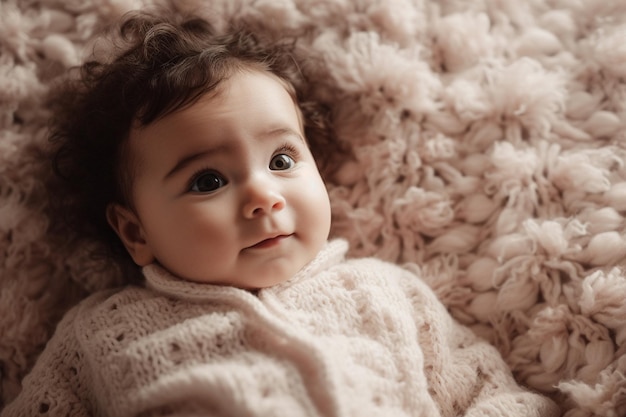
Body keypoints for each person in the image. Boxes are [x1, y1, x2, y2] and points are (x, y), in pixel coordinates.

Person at [1, 10, 559, 417]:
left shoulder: (386, 292)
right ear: (134, 230)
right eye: (209, 180)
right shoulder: (103, 332)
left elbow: (490, 393)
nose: (263, 196)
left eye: (282, 158)